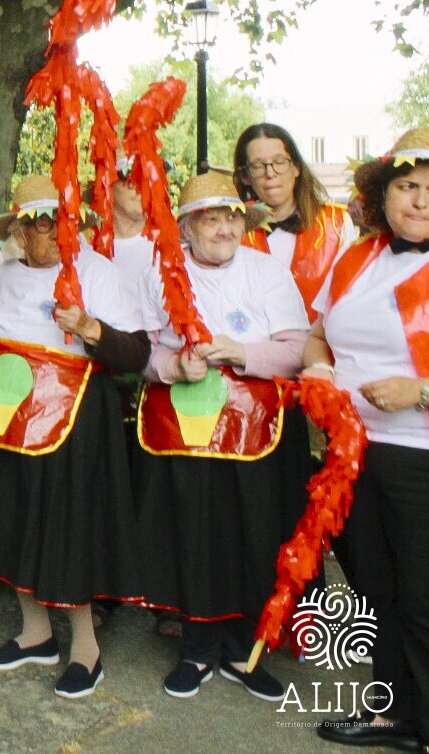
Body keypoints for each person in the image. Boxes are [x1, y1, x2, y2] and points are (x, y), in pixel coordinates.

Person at [0, 174, 146, 699]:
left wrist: (90, 328)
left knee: (67, 525)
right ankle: (36, 634)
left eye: (55, 222)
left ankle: (86, 648)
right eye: (34, 224)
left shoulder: (98, 272)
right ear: (17, 232)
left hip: (75, 413)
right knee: (13, 516)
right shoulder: (9, 272)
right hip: (9, 409)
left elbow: (136, 354)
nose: (46, 234)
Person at [134, 172, 309, 700]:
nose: (225, 227)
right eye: (211, 217)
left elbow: (298, 348)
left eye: (232, 216)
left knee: (253, 529)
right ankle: (196, 646)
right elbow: (143, 350)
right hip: (184, 423)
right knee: (191, 529)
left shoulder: (267, 271)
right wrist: (170, 365)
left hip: (257, 423)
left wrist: (240, 353)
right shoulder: (159, 273)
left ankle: (244, 648)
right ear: (185, 228)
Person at [306, 129, 429, 751]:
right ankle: (392, 714)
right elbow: (318, 334)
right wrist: (319, 369)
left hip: (422, 456)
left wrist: (422, 391)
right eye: (408, 186)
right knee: (374, 588)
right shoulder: (356, 257)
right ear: (383, 196)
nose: (420, 201)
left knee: (425, 595)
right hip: (352, 450)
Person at [234, 122, 355, 320]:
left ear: (296, 168)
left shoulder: (336, 223)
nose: (270, 173)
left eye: (279, 162)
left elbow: (351, 296)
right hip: (257, 348)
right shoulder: (233, 230)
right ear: (246, 176)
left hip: (321, 346)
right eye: (258, 165)